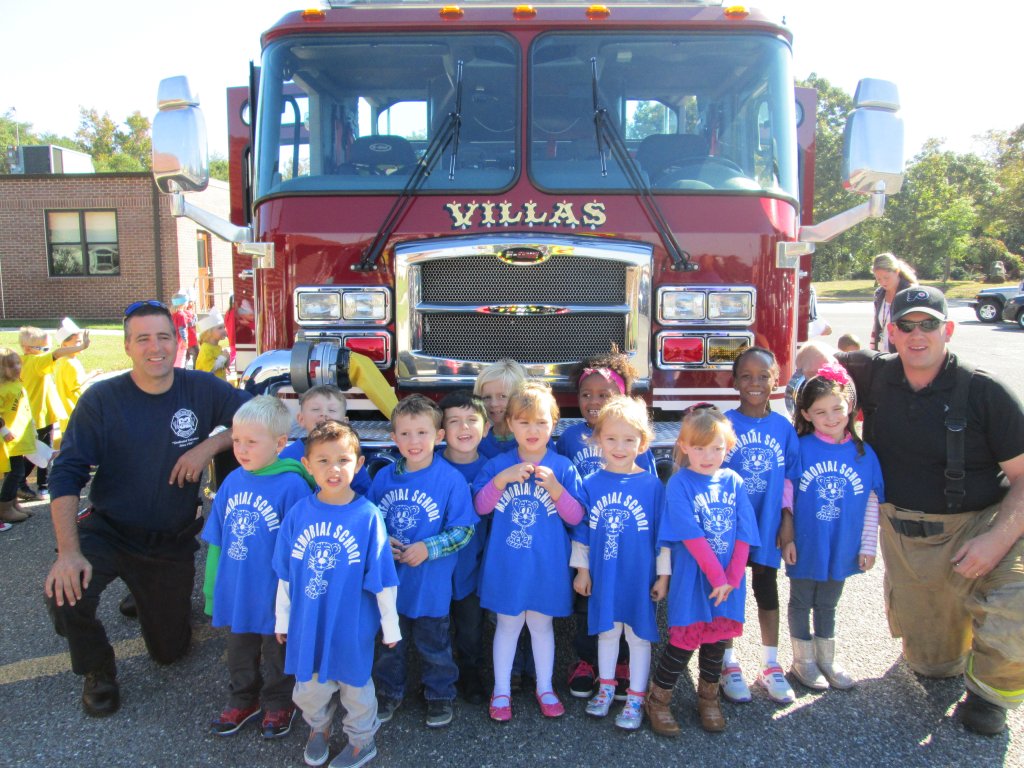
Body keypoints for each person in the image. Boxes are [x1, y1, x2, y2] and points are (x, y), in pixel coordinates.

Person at [44, 300, 250, 717]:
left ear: (177, 342)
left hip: (166, 542)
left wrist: (208, 445)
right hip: (108, 529)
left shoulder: (202, 387)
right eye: (142, 339)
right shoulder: (102, 400)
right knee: (65, 595)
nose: (154, 347)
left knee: (170, 653)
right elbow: (65, 473)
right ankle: (97, 670)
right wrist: (68, 553)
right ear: (127, 347)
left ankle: (142, 590)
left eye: (163, 337)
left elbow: (258, 416)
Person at [836, 285, 1024, 736]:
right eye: (906, 325)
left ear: (949, 330)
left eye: (929, 324)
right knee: (934, 668)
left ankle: (991, 694)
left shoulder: (987, 392)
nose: (917, 334)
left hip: (983, 524)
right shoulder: (871, 374)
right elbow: (805, 356)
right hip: (909, 538)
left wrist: (997, 540)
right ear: (890, 332)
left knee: (1015, 604)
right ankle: (950, 645)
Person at [273, 420, 400, 768]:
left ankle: (362, 742)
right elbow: (285, 575)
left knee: (356, 688)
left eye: (343, 460)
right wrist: (282, 620)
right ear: (307, 465)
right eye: (323, 461)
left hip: (351, 625)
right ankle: (318, 727)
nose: (333, 469)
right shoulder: (298, 515)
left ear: (358, 465)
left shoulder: (368, 516)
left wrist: (391, 627)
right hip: (308, 623)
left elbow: (383, 578)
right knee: (310, 688)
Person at [201, 396, 314, 739]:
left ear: (280, 443)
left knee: (277, 648)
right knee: (239, 649)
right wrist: (211, 589)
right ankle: (243, 698)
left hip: (274, 591)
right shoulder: (232, 481)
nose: (241, 449)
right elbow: (217, 539)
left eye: (252, 441)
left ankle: (280, 702)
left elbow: (300, 547)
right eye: (236, 440)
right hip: (238, 590)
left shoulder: (293, 485)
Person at [473, 381, 585, 722]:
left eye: (540, 422)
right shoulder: (498, 465)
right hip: (507, 565)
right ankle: (502, 690)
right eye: (523, 422)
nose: (532, 430)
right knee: (506, 627)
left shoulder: (563, 467)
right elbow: (480, 507)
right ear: (509, 424)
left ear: (554, 422)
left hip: (547, 566)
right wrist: (501, 480)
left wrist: (555, 489)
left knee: (541, 626)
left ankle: (545, 687)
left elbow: (577, 516)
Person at [647, 406, 758, 736]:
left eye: (717, 448)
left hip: (727, 581)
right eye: (699, 448)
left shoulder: (734, 481)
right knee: (684, 640)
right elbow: (691, 536)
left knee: (717, 640)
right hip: (695, 580)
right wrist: (718, 578)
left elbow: (744, 533)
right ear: (682, 446)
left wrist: (733, 579)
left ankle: (708, 698)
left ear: (728, 446)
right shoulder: (679, 484)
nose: (708, 456)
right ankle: (659, 700)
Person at [369, 395, 476, 729]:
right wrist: (382, 546)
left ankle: (439, 695)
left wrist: (428, 547)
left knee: (435, 647)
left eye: (422, 433)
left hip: (430, 586)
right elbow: (366, 523)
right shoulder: (383, 478)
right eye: (405, 434)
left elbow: (463, 530)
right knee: (390, 645)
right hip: (390, 585)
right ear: (393, 437)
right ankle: (388, 692)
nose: (413, 442)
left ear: (438, 436)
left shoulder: (450, 480)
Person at [557, 350, 657, 700]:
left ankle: (623, 663)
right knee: (587, 599)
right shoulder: (570, 438)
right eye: (587, 395)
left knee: (625, 597)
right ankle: (587, 661)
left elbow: (649, 490)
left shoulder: (631, 437)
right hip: (586, 532)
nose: (594, 402)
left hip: (625, 532)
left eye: (604, 395)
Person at [570, 396, 668, 731]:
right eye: (611, 438)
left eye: (629, 440)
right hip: (604, 574)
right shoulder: (591, 484)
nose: (620, 447)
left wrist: (663, 576)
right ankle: (607, 686)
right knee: (607, 632)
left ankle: (637, 695)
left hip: (639, 576)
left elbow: (662, 535)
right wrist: (582, 569)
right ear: (598, 440)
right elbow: (581, 532)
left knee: (639, 636)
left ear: (643, 442)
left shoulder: (653, 486)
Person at [784, 364, 882, 691]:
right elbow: (787, 497)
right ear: (806, 414)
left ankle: (827, 658)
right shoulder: (800, 447)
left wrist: (868, 546)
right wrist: (787, 538)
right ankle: (803, 661)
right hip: (806, 541)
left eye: (837, 408)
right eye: (820, 411)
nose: (830, 417)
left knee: (828, 602)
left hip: (842, 545)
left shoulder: (864, 454)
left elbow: (871, 502)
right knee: (801, 600)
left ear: (850, 407)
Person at [719, 347, 800, 705]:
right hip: (731, 529)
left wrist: (787, 522)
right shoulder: (724, 424)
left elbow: (789, 480)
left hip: (767, 526)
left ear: (776, 381)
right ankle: (726, 662)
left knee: (767, 590)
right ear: (734, 381)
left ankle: (770, 663)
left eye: (763, 376)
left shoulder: (783, 428)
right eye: (747, 376)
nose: (755, 383)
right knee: (729, 592)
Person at [437, 390, 490, 705]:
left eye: (472, 420)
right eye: (454, 421)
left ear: (485, 428)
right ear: (442, 431)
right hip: (438, 565)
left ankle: (471, 673)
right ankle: (439, 677)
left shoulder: (494, 469)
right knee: (437, 625)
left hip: (474, 563)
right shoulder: (428, 467)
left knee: (471, 627)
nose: (464, 428)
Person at [18, 325, 88, 500]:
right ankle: (33, 484)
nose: (46, 353)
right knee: (42, 452)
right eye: (42, 349)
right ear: (27, 349)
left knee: (37, 450)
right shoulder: (36, 362)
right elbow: (57, 354)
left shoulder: (24, 361)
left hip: (35, 414)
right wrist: (81, 347)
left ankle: (29, 483)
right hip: (40, 415)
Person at [279, 386, 372, 496]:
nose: (324, 414)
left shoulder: (349, 457)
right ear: (301, 419)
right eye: (315, 409)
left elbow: (365, 494)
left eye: (331, 410)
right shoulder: (288, 456)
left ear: (345, 422)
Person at [0, 348, 37, 525]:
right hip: (8, 440)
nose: (17, 367)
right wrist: (4, 431)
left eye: (18, 363)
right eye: (11, 365)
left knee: (15, 471)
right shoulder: (3, 388)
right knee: (16, 472)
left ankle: (13, 503)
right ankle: (5, 507)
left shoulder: (17, 383)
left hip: (19, 437)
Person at [53, 318, 95, 448]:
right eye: (77, 342)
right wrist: (92, 375)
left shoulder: (63, 360)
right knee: (76, 441)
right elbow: (75, 385)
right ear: (64, 344)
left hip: (67, 410)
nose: (81, 344)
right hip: (73, 408)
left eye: (81, 341)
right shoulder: (70, 363)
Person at [474, 358, 527, 459]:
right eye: (487, 397)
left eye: (502, 396)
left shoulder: (535, 438)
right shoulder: (476, 440)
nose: (493, 404)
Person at [870, 252, 917, 353]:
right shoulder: (879, 294)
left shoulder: (911, 293)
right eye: (878, 279)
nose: (883, 282)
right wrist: (873, 351)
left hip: (904, 352)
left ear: (896, 271)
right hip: (882, 352)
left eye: (886, 278)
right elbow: (876, 325)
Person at [195, 309, 230, 380]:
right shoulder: (206, 349)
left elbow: (223, 365)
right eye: (220, 328)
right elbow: (209, 369)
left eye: (224, 327)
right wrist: (223, 358)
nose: (224, 330)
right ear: (209, 333)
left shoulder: (217, 347)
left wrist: (227, 359)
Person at [171, 292, 190, 368]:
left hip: (173, 340)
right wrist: (185, 341)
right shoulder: (181, 315)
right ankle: (179, 374)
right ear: (183, 304)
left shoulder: (172, 314)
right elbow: (182, 329)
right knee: (181, 358)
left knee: (175, 359)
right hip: (180, 341)